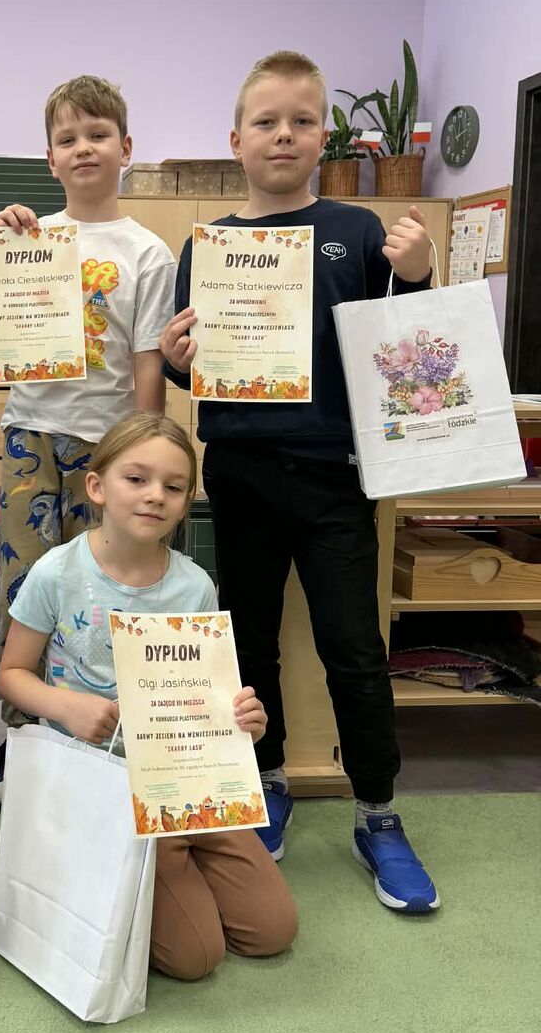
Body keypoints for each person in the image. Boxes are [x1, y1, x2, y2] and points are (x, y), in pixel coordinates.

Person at [160, 50, 438, 913]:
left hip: (335, 476)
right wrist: (175, 363)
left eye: (302, 121)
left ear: (325, 138)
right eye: (267, 122)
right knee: (247, 643)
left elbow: (405, 351)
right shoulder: (208, 246)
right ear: (236, 140)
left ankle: (378, 813)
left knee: (353, 647)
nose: (284, 135)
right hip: (239, 471)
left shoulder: (358, 230)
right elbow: (192, 367)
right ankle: (268, 778)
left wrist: (418, 273)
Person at [0, 412, 297, 980]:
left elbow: (208, 689)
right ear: (96, 486)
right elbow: (11, 674)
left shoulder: (195, 585)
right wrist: (65, 706)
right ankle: (147, 862)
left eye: (173, 487)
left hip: (184, 775)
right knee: (194, 957)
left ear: (185, 503)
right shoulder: (55, 573)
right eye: (136, 479)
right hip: (101, 779)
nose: (155, 495)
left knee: (271, 931)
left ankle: (171, 860)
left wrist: (242, 717)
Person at [0, 75, 177, 803]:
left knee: (98, 590)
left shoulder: (147, 252)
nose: (83, 147)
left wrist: (142, 455)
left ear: (125, 148)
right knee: (25, 588)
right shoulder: (32, 234)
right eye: (67, 138)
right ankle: (22, 740)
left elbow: (148, 361)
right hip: (30, 435)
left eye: (97, 134)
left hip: (105, 448)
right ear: (50, 158)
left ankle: (97, 736)